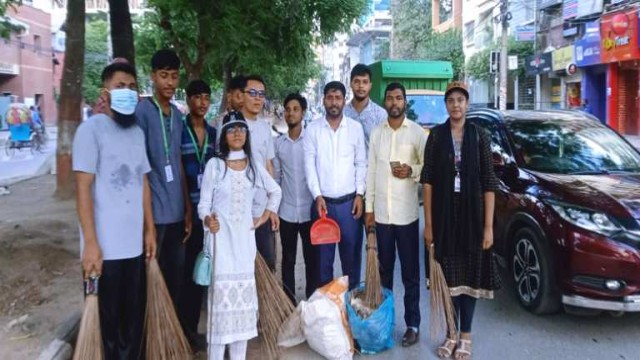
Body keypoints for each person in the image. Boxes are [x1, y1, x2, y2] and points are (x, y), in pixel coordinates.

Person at [73, 62, 156, 359]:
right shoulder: (90, 130)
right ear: (105, 93)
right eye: (121, 86)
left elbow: (143, 182)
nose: (128, 92)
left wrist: (149, 230)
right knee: (106, 328)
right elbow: (82, 189)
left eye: (133, 87)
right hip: (103, 252)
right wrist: (91, 244)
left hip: (133, 249)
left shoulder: (136, 132)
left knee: (131, 325)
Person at [421, 81, 501, 360]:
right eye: (451, 100)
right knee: (448, 278)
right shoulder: (436, 136)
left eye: (460, 100)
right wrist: (428, 224)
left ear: (467, 104)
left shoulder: (480, 137)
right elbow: (428, 180)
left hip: (472, 216)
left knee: (470, 279)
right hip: (444, 216)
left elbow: (489, 182)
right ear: (446, 105)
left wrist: (488, 226)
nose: (456, 105)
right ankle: (450, 333)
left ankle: (466, 335)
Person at [198, 111, 281, 360]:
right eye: (232, 130)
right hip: (220, 246)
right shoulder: (215, 165)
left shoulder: (254, 166)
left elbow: (275, 192)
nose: (237, 134)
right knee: (219, 316)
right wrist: (207, 219)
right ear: (224, 135)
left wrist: (264, 216)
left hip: (244, 249)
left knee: (242, 317)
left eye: (242, 129)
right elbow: (203, 205)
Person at [364, 82, 427, 347]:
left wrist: (411, 170)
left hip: (407, 216)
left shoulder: (417, 133)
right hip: (382, 217)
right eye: (389, 98)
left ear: (404, 102)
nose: (394, 102)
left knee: (411, 274)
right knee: (384, 272)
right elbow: (370, 173)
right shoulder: (377, 134)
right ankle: (386, 323)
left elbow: (428, 168)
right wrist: (369, 210)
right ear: (385, 102)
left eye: (398, 98)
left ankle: (412, 324)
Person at [134, 49, 192, 317]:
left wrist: (188, 208)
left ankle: (174, 336)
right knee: (150, 279)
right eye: (163, 76)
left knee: (176, 276)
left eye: (174, 76)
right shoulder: (142, 112)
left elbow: (178, 160)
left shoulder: (179, 116)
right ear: (153, 77)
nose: (169, 83)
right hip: (154, 215)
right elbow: (141, 169)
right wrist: (146, 224)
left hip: (177, 212)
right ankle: (152, 338)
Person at [304, 81, 367, 290]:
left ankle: (351, 311)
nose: (333, 102)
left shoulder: (355, 129)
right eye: (329, 98)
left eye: (338, 98)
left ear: (343, 100)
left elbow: (360, 163)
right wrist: (317, 196)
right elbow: (309, 166)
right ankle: (328, 316)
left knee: (351, 264)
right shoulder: (312, 130)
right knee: (323, 266)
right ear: (323, 100)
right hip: (323, 207)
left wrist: (359, 194)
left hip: (350, 206)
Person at [180, 79, 217, 349]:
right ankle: (187, 331)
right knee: (189, 275)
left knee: (209, 275)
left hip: (211, 217)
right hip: (188, 215)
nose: (202, 102)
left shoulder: (215, 134)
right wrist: (187, 212)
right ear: (188, 99)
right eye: (197, 97)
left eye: (206, 97)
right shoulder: (178, 131)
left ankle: (212, 333)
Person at [274, 93, 316, 301]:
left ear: (303, 112)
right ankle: (288, 303)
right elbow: (277, 178)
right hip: (287, 212)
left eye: (295, 109)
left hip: (310, 212)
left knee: (312, 260)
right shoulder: (279, 144)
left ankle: (311, 304)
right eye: (288, 109)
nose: (291, 113)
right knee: (288, 260)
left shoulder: (311, 141)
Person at [240, 75, 277, 271]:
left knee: (267, 263)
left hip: (262, 211)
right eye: (252, 93)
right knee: (242, 266)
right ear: (242, 95)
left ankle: (266, 302)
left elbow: (268, 165)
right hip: (237, 210)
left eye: (261, 94)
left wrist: (272, 209)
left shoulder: (264, 128)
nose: (257, 98)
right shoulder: (231, 125)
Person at [344, 63, 387, 148]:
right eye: (357, 81)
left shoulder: (380, 115)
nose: (361, 86)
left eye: (365, 82)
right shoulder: (343, 114)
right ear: (351, 84)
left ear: (370, 85)